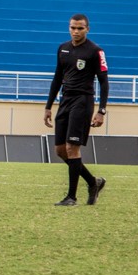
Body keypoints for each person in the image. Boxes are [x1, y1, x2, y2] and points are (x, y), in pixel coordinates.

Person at [44, 13, 109, 206]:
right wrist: (48, 106)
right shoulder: (62, 48)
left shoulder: (95, 51)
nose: (75, 31)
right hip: (65, 101)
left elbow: (104, 83)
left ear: (87, 29)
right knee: (60, 151)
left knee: (72, 148)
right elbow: (57, 78)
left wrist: (101, 110)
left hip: (83, 101)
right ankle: (93, 182)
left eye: (80, 28)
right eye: (72, 27)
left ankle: (71, 197)